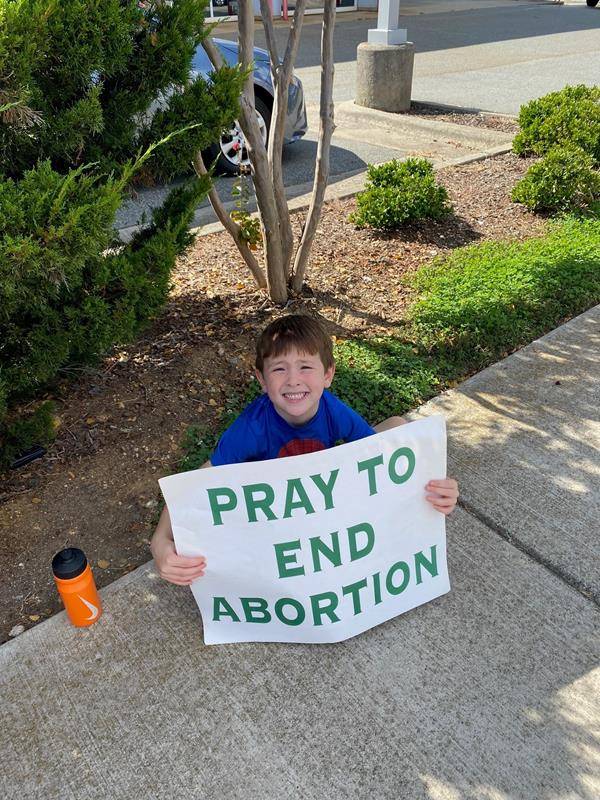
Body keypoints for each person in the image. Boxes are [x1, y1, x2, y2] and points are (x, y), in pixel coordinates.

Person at [151, 314, 459, 585]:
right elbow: (194, 486)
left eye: (306, 367)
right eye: (279, 369)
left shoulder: (333, 411)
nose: (294, 380)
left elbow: (379, 459)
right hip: (278, 515)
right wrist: (161, 541)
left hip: (322, 498)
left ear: (328, 375)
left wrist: (431, 487)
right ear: (262, 380)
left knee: (396, 426)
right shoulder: (251, 428)